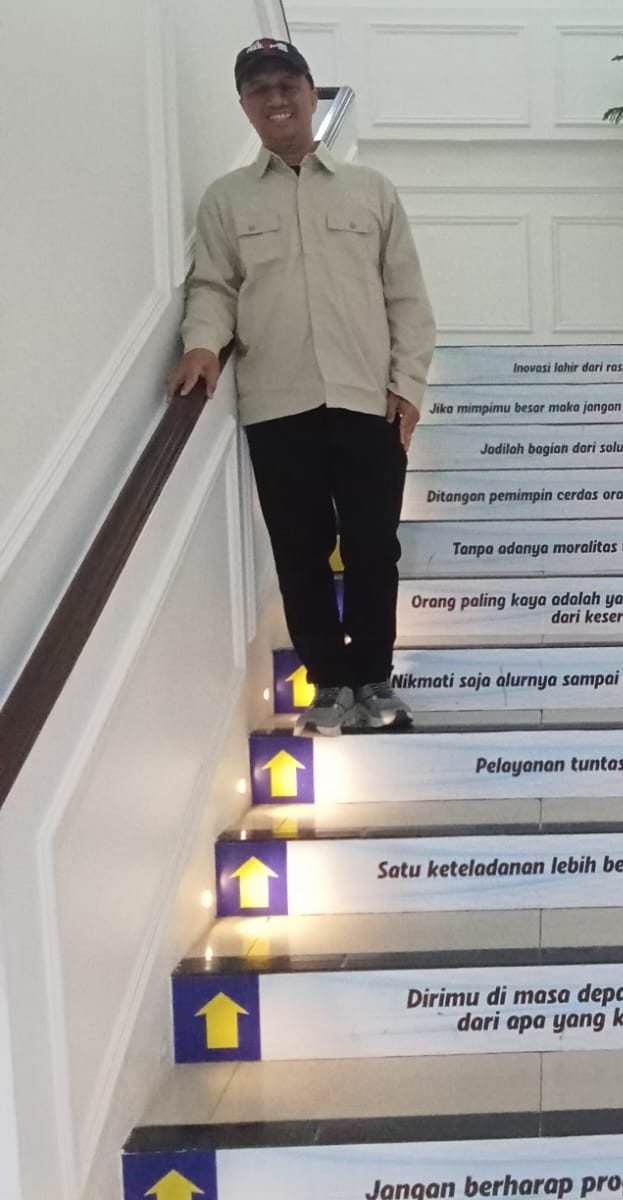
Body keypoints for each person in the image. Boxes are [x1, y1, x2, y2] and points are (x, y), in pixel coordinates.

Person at [168, 38, 435, 735]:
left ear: (313, 94)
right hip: (277, 403)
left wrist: (408, 385)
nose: (276, 99)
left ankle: (374, 678)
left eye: (288, 85)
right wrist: (201, 344)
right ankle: (328, 683)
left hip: (367, 399)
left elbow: (407, 297)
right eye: (260, 90)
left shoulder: (370, 190)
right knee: (299, 549)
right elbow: (214, 286)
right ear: (244, 106)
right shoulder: (226, 200)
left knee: (373, 544)